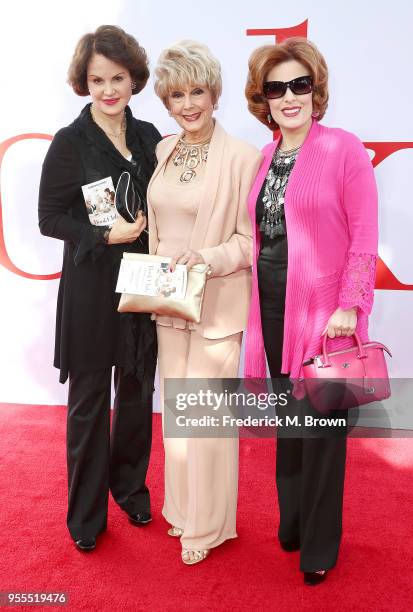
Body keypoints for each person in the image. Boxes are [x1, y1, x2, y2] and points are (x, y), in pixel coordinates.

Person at [244, 37, 378, 585]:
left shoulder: (343, 147)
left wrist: (350, 304)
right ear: (265, 100)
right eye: (277, 88)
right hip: (271, 305)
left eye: (300, 84)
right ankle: (293, 520)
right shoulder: (266, 156)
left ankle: (321, 544)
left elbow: (365, 232)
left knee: (322, 430)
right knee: (289, 423)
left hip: (325, 313)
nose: (289, 96)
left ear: (315, 90)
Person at [38, 25, 161, 552]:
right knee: (88, 403)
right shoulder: (70, 142)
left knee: (136, 394)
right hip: (91, 291)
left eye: (117, 78)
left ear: (134, 79)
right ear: (83, 83)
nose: (108, 89)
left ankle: (130, 489)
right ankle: (86, 516)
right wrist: (101, 233)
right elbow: (48, 217)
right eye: (96, 80)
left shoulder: (151, 137)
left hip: (143, 286)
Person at [148, 40, 262, 565]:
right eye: (176, 94)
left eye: (196, 90)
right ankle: (182, 511)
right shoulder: (164, 150)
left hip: (216, 304)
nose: (188, 103)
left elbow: (249, 241)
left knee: (208, 422)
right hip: (168, 303)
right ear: (165, 102)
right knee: (177, 419)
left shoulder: (242, 156)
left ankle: (208, 528)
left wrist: (207, 258)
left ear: (214, 93)